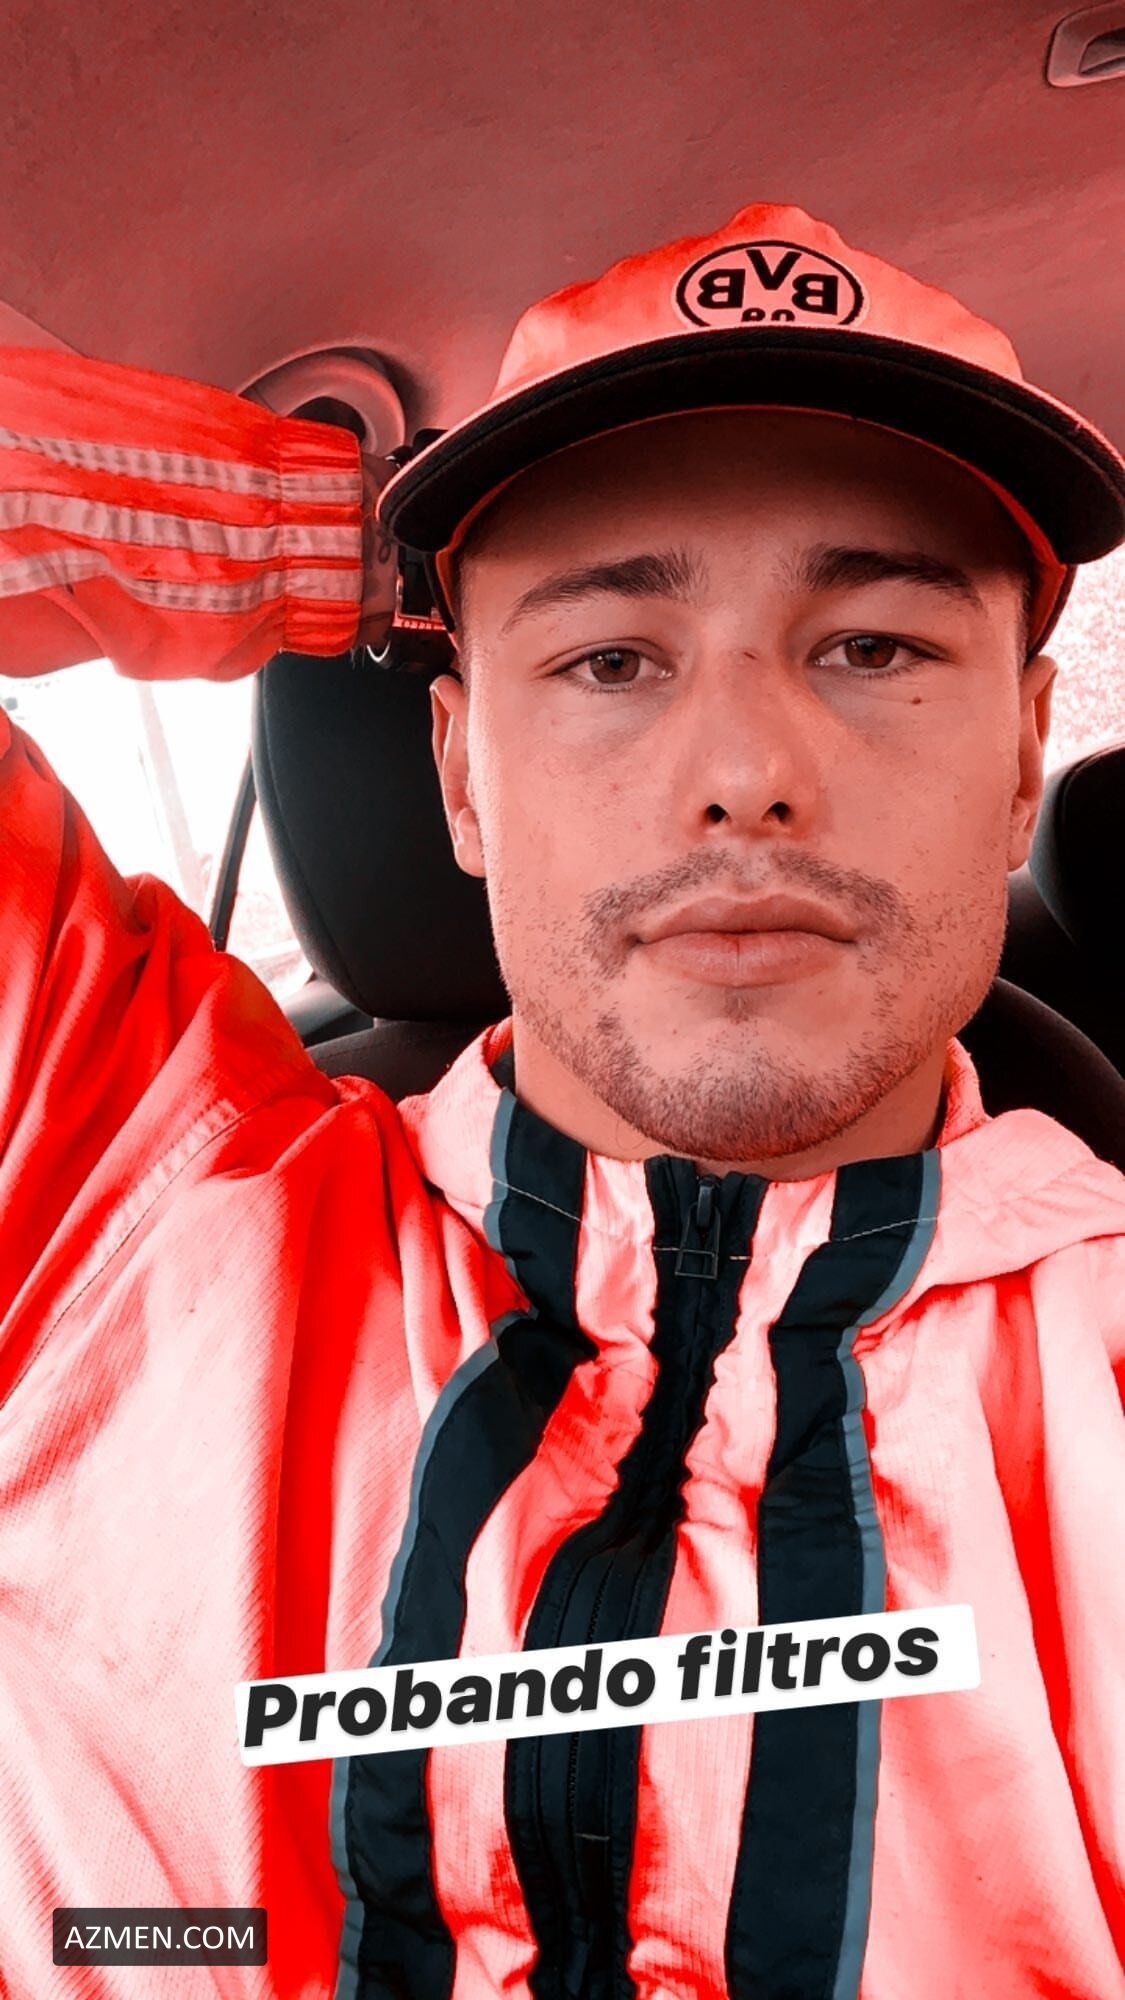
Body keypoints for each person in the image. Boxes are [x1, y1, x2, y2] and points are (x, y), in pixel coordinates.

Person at [0, 201, 1122, 2000]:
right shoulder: (99, 1195)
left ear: (1018, 760)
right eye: (607, 659)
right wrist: (325, 537)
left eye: (872, 649)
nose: (746, 774)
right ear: (460, 774)